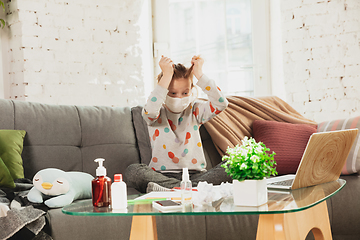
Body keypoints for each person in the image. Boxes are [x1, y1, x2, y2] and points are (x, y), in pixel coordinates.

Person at [125, 55, 232, 193]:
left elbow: (221, 103)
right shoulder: (155, 112)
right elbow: (150, 112)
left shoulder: (195, 110)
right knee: (133, 171)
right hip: (162, 175)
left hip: (196, 175)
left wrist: (199, 74)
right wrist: (166, 76)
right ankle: (192, 190)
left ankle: (173, 190)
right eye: (173, 93)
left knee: (233, 165)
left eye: (185, 92)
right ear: (164, 92)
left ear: (191, 90)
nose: (179, 98)